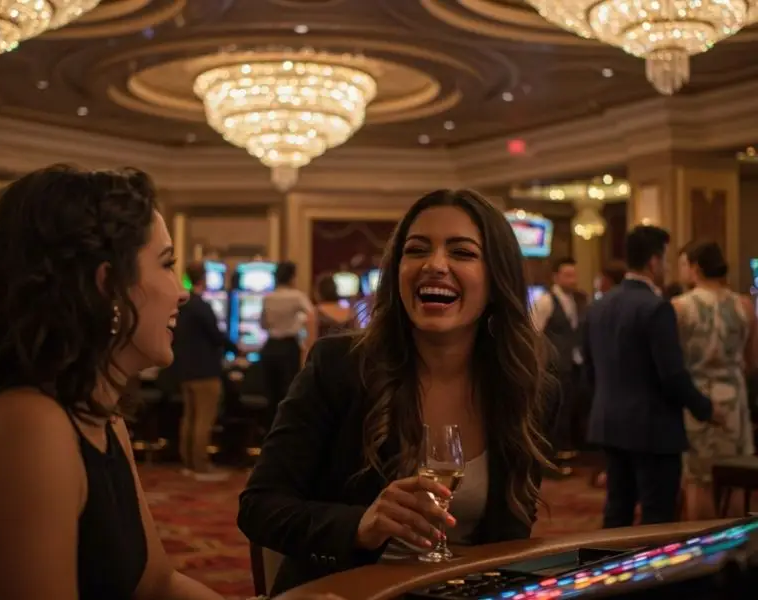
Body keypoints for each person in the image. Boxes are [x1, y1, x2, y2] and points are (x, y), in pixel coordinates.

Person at [238, 189, 557, 595]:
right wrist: (360, 525)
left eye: (461, 253)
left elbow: (511, 533)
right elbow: (260, 507)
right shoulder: (339, 367)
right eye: (417, 250)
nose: (435, 265)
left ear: (497, 279)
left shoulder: (529, 387)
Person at [0, 166, 223, 599]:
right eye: (166, 265)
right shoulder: (27, 427)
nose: (181, 292)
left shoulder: (100, 414)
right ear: (108, 286)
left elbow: (157, 585)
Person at [584, 225, 724, 529]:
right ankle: (654, 578)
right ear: (653, 262)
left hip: (609, 423)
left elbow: (590, 370)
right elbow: (672, 375)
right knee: (657, 519)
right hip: (652, 429)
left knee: (617, 512)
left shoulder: (599, 306)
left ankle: (611, 575)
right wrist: (706, 409)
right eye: (666, 259)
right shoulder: (655, 308)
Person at [671, 240, 757, 519]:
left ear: (695, 267)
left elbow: (673, 362)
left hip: (698, 398)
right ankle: (735, 546)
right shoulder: (744, 304)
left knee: (699, 480)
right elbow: (752, 359)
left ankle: (703, 549)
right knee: (735, 479)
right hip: (733, 396)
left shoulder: (680, 307)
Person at [173, 261, 240, 481]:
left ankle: (188, 462)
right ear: (204, 278)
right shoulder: (202, 305)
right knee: (203, 419)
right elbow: (216, 335)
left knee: (189, 418)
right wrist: (238, 349)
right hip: (205, 370)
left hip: (185, 369)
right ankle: (201, 464)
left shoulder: (183, 305)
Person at [530, 257, 583, 471]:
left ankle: (564, 457)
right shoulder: (546, 300)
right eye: (567, 275)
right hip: (552, 367)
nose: (572, 280)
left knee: (567, 412)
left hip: (571, 366)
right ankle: (551, 462)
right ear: (556, 277)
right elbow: (534, 332)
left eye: (574, 275)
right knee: (553, 414)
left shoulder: (575, 300)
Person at [260, 261, 317, 428]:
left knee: (270, 397)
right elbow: (311, 316)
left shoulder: (268, 297)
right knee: (288, 395)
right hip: (288, 347)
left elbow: (263, 324)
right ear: (292, 277)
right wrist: (309, 344)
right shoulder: (297, 296)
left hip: (269, 348)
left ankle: (268, 434)